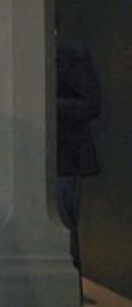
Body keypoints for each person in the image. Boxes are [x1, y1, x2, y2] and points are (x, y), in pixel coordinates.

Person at [55, 40, 102, 273]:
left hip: (64, 157)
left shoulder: (72, 53)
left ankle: (70, 298)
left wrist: (47, 105)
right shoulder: (21, 57)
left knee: (64, 228)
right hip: (31, 157)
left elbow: (91, 104)